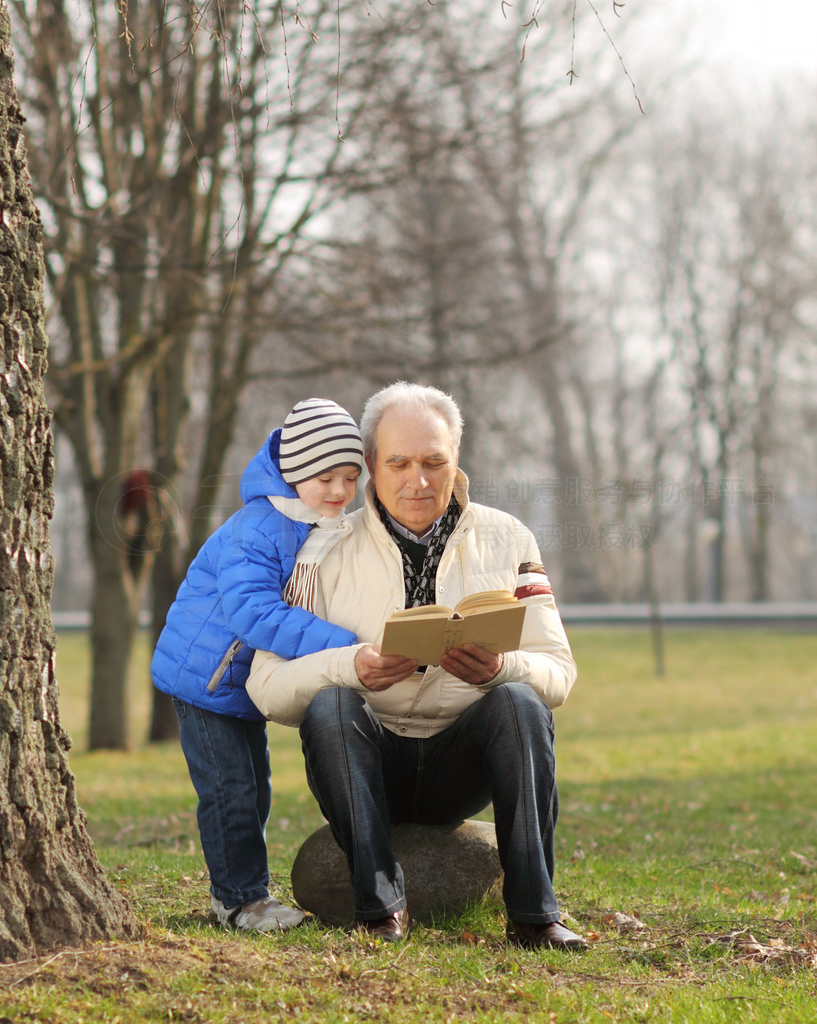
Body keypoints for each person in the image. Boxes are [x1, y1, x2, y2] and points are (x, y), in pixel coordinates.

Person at [245, 382, 587, 951]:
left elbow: (559, 672)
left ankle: (534, 915)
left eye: (434, 462)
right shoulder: (319, 548)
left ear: (456, 462)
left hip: (463, 761)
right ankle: (381, 910)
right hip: (370, 759)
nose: (418, 480)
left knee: (520, 699)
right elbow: (267, 687)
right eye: (398, 462)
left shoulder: (510, 537)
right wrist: (352, 665)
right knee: (330, 701)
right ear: (372, 466)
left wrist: (499, 667)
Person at [151, 397, 364, 934]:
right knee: (230, 791)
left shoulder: (309, 521)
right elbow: (255, 613)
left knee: (256, 787)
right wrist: (342, 644)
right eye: (325, 477)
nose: (339, 491)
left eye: (350, 477)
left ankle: (248, 891)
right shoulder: (259, 528)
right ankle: (238, 901)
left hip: (239, 684)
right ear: (293, 473)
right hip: (207, 680)